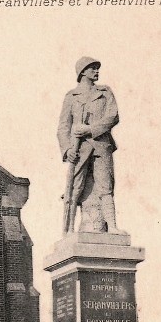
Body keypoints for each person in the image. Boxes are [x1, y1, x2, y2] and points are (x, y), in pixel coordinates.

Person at [57, 57, 125, 234]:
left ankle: (112, 227)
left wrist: (89, 129)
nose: (97, 71)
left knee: (106, 186)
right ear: (82, 72)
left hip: (102, 145)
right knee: (75, 188)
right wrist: (67, 150)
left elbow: (113, 116)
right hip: (79, 149)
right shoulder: (71, 96)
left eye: (97, 68)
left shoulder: (105, 92)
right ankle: (69, 229)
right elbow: (63, 126)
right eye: (92, 68)